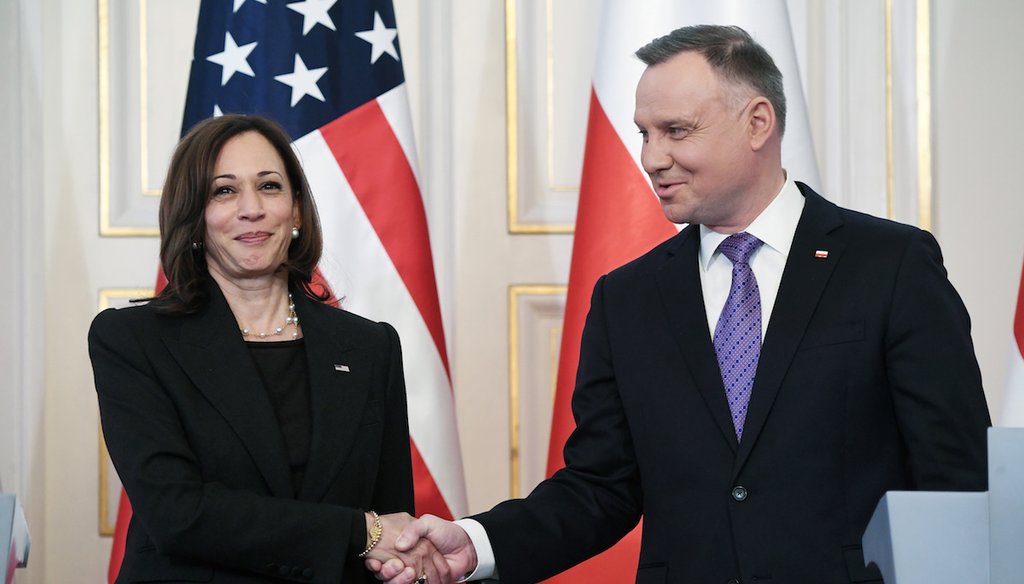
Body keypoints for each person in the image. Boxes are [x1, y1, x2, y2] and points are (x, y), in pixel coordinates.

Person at [371, 25, 991, 584]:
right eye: (644, 133)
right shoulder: (628, 299)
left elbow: (956, 479)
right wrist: (477, 543)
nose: (651, 158)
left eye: (676, 131)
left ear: (757, 122)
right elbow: (601, 488)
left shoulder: (890, 264)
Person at [89, 114, 450, 583]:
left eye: (270, 186)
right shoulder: (133, 340)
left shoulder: (370, 347)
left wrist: (400, 557)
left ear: (296, 210)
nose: (251, 208)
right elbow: (178, 514)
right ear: (194, 216)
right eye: (224, 190)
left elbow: (391, 528)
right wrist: (358, 531)